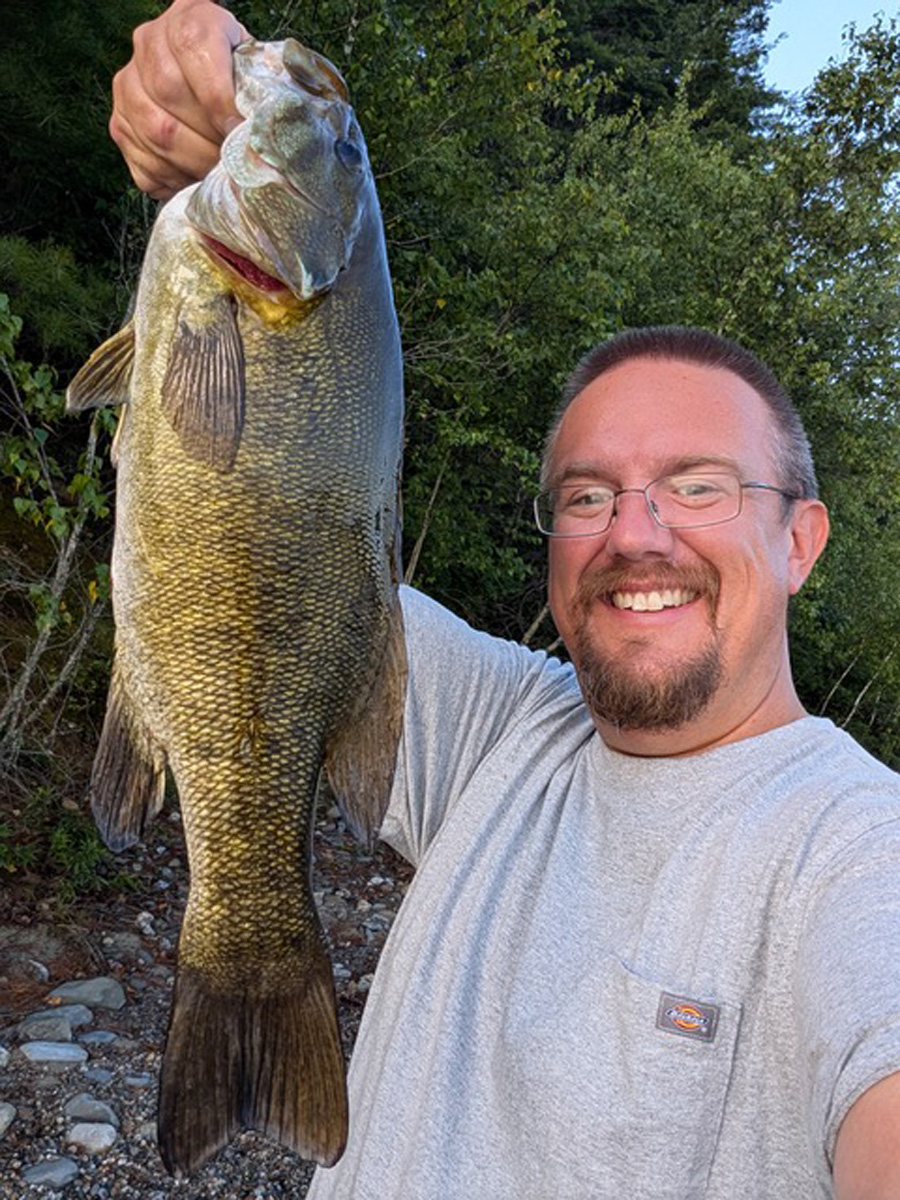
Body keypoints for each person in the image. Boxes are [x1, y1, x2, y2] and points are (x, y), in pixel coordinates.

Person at [111, 4, 900, 1196]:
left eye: (698, 485)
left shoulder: (855, 854)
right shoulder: (505, 729)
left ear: (802, 538)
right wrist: (202, 72)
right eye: (587, 495)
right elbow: (264, 574)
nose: (634, 534)